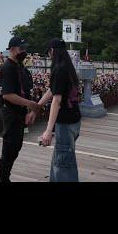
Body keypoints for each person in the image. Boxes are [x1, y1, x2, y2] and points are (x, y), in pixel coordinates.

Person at [37, 38, 82, 182]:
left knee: (63, 163)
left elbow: (56, 100)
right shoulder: (68, 67)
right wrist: (36, 107)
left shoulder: (59, 69)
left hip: (65, 122)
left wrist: (48, 131)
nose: (49, 56)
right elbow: (52, 90)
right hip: (74, 120)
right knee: (63, 158)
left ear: (52, 51)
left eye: (49, 52)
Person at [0, 36, 41, 183]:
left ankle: (5, 177)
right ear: (12, 49)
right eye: (21, 49)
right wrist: (30, 104)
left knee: (16, 145)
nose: (24, 51)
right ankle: (3, 179)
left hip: (20, 112)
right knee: (10, 146)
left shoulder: (20, 66)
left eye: (25, 49)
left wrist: (28, 111)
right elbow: (8, 95)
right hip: (10, 111)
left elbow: (25, 90)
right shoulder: (8, 68)